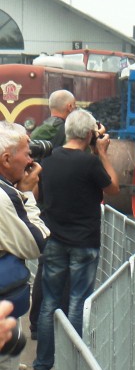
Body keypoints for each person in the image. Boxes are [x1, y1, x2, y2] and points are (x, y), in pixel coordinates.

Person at [30, 109, 117, 370]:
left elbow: (37, 195)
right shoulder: (90, 164)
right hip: (85, 242)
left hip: (53, 239)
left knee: (49, 303)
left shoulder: (49, 161)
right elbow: (113, 187)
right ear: (90, 134)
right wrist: (102, 152)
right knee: (78, 301)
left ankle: (42, 365)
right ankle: (74, 364)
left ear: (67, 131)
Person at [0, 122, 50, 370]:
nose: (30, 158)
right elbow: (35, 242)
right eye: (25, 151)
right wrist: (28, 195)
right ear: (6, 159)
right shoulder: (6, 198)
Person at [26, 91, 73, 342]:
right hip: (56, 206)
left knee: (45, 267)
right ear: (70, 106)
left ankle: (35, 324)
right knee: (59, 273)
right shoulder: (63, 131)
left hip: (41, 203)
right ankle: (57, 325)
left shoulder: (42, 129)